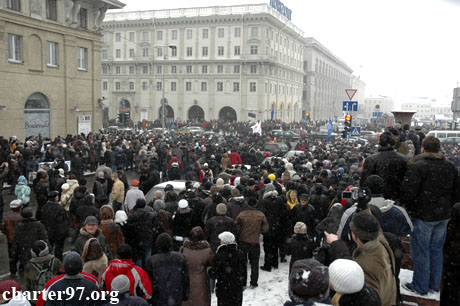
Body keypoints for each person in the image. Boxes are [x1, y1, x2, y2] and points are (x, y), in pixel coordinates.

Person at [400, 136, 460, 295]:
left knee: (421, 251)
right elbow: (457, 192)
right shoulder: (450, 167)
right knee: (436, 250)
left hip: (423, 216)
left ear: (423, 149)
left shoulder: (417, 166)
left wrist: (412, 207)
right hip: (443, 216)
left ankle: (420, 286)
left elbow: (408, 193)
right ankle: (435, 285)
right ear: (439, 149)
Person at [360, 132, 408, 201]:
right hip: (397, 198)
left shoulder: (371, 159)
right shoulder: (404, 159)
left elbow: (364, 183)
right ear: (393, 143)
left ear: (380, 143)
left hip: (376, 199)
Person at [145, 233, 190, 306]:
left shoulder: (152, 261)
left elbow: (149, 282)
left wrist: (150, 298)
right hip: (176, 296)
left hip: (158, 298)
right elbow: (185, 279)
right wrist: (185, 294)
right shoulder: (180, 258)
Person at [235, 197, 269, 288]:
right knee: (254, 263)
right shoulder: (260, 215)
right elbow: (265, 229)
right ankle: (254, 282)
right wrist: (258, 231)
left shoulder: (241, 215)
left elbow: (237, 228)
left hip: (243, 241)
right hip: (255, 241)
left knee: (243, 263)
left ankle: (243, 282)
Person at [208, 232, 246, 306]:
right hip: (237, 288)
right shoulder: (240, 253)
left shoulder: (219, 255)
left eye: (221, 240)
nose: (220, 242)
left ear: (224, 242)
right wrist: (243, 284)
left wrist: (209, 270)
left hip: (223, 289)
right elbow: (244, 271)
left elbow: (215, 274)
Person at [180, 227, 214, 306]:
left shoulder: (183, 249)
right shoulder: (207, 251)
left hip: (186, 282)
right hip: (201, 283)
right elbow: (212, 264)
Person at [10, 207, 48, 277]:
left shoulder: (19, 227)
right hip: (38, 255)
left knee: (29, 277)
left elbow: (15, 245)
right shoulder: (39, 226)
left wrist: (13, 262)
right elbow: (45, 240)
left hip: (25, 257)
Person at [125, 199, 158, 267]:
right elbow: (155, 227)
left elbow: (129, 228)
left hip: (136, 239)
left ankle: (139, 271)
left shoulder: (131, 214)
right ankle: (147, 270)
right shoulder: (150, 215)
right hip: (147, 239)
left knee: (138, 257)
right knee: (147, 255)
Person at [40, 191, 69, 261]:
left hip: (48, 231)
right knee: (58, 248)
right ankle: (57, 261)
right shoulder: (59, 208)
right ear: (56, 197)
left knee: (49, 247)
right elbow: (65, 220)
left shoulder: (44, 207)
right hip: (58, 233)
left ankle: (49, 261)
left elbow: (41, 219)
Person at [1, 200, 22, 274]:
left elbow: (3, 229)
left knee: (12, 256)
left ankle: (13, 271)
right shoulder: (22, 217)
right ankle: (21, 269)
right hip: (20, 240)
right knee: (22, 255)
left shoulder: (6, 217)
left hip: (10, 240)